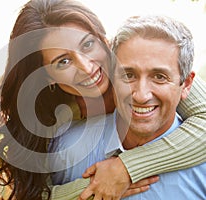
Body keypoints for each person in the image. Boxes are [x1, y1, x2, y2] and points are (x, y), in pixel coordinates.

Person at [0, 0, 206, 199]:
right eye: (63, 61)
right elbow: (27, 195)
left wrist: (127, 168)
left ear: (105, 41)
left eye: (87, 45)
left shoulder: (142, 59)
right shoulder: (49, 124)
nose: (87, 67)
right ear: (47, 76)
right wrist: (93, 186)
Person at [51, 14, 206, 200]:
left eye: (159, 77)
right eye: (128, 74)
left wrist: (127, 167)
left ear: (186, 84)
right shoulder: (64, 148)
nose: (141, 95)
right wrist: (88, 189)